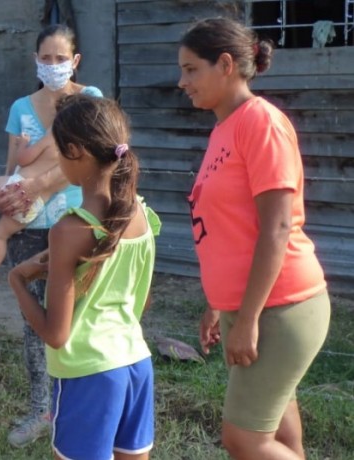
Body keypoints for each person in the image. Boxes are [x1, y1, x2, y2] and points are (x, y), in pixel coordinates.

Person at [179, 18, 331, 459]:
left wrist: (246, 319)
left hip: (279, 306)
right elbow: (230, 229)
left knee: (243, 438)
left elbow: (277, 227)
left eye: (191, 69)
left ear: (225, 64)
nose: (181, 81)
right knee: (279, 438)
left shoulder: (260, 121)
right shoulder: (224, 127)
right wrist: (218, 304)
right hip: (249, 305)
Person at [9, 94, 158, 460]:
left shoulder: (69, 230)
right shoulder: (138, 211)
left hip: (87, 373)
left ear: (75, 152)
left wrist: (16, 280)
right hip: (135, 362)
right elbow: (142, 298)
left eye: (59, 153)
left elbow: (57, 336)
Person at [0, 24, 103, 447]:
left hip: (79, 221)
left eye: (60, 58)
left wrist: (40, 185)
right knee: (36, 325)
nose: (52, 66)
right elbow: (12, 166)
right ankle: (41, 409)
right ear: (36, 60)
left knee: (81, 315)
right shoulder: (21, 107)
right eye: (45, 59)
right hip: (32, 228)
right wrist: (13, 196)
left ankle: (80, 406)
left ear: (75, 61)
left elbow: (93, 158)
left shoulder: (90, 100)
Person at [0, 137, 61, 293]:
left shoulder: (53, 135)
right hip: (36, 206)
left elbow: (23, 159)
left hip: (19, 185)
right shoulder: (78, 154)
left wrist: (22, 145)